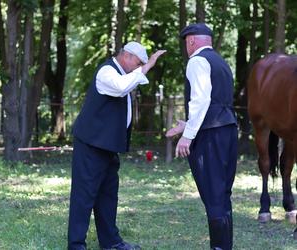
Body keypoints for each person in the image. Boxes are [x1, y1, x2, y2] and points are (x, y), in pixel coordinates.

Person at [68, 41, 166, 250]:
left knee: (108, 196)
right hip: (91, 145)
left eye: (142, 64)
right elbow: (122, 88)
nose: (139, 68)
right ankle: (76, 245)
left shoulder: (122, 73)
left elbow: (127, 86)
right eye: (138, 63)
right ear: (127, 56)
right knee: (84, 196)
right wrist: (147, 67)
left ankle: (111, 242)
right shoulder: (107, 71)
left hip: (107, 146)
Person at [166, 23, 237, 250]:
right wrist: (187, 125)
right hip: (228, 131)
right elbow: (217, 104)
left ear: (191, 41)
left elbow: (201, 100)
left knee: (214, 194)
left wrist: (187, 136)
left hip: (210, 137)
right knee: (223, 194)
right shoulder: (221, 63)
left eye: (186, 42)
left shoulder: (197, 61)